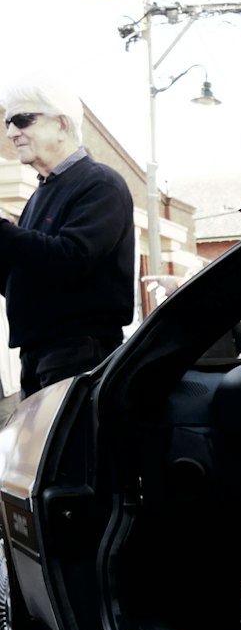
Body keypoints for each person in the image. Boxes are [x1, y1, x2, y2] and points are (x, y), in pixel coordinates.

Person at [0, 80, 135, 397]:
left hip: (77, 351)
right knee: (45, 447)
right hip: (40, 354)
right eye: (7, 123)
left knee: (69, 447)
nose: (10, 133)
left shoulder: (101, 183)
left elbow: (72, 258)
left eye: (22, 120)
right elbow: (26, 275)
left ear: (61, 124)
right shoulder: (40, 194)